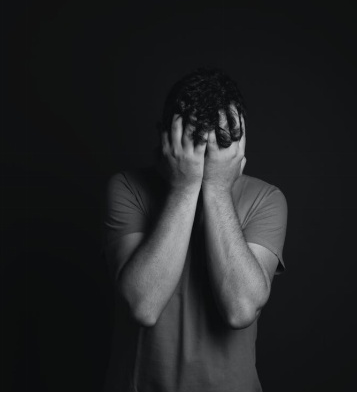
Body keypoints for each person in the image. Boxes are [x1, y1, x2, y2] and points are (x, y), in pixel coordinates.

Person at [102, 67, 288, 391]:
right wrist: (185, 187)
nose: (204, 156)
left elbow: (241, 308)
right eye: (195, 142)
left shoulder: (267, 199)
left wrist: (216, 188)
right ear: (166, 140)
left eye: (218, 143)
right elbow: (143, 305)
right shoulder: (126, 188)